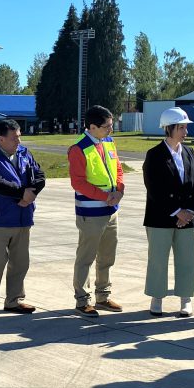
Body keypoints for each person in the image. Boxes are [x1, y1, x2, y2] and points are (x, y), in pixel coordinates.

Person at [0, 119, 46, 315]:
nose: (19, 140)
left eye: (20, 136)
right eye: (15, 137)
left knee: (20, 262)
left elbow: (40, 175)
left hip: (23, 216)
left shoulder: (25, 154)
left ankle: (13, 301)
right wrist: (21, 193)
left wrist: (31, 194)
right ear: (1, 139)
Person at [143, 107, 194, 318]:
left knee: (187, 259)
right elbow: (154, 188)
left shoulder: (189, 152)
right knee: (158, 259)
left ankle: (186, 299)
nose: (185, 132)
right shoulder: (154, 155)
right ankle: (157, 298)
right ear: (169, 128)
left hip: (187, 218)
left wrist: (190, 212)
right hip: (160, 218)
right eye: (182, 127)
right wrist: (176, 211)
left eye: (186, 127)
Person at [70, 105, 125, 318]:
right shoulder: (78, 149)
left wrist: (120, 190)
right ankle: (82, 300)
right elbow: (78, 183)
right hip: (91, 214)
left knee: (107, 256)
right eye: (107, 126)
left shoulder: (109, 142)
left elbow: (118, 169)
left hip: (111, 210)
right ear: (92, 127)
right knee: (86, 257)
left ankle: (103, 296)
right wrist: (105, 196)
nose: (111, 130)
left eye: (112, 125)